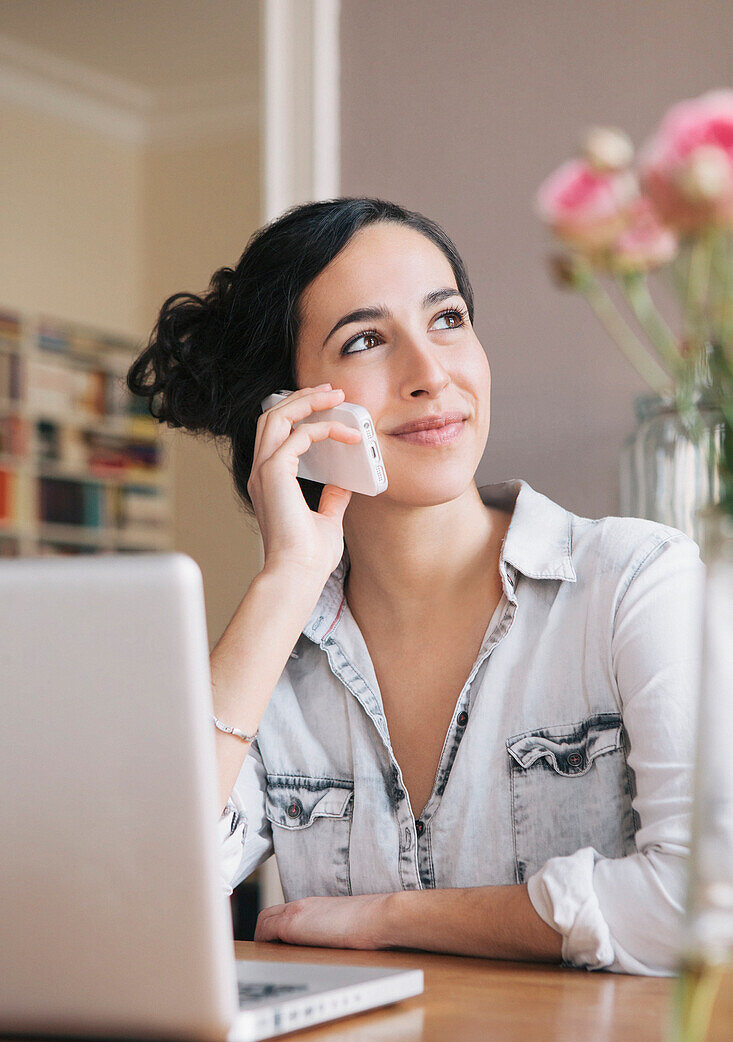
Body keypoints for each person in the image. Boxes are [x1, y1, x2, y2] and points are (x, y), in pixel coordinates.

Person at [127, 197, 705, 976]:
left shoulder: (634, 583)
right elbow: (137, 898)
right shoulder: (274, 667)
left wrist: (388, 920)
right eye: (365, 340)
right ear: (284, 410)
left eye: (447, 319)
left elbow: (703, 906)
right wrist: (287, 578)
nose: (431, 375)